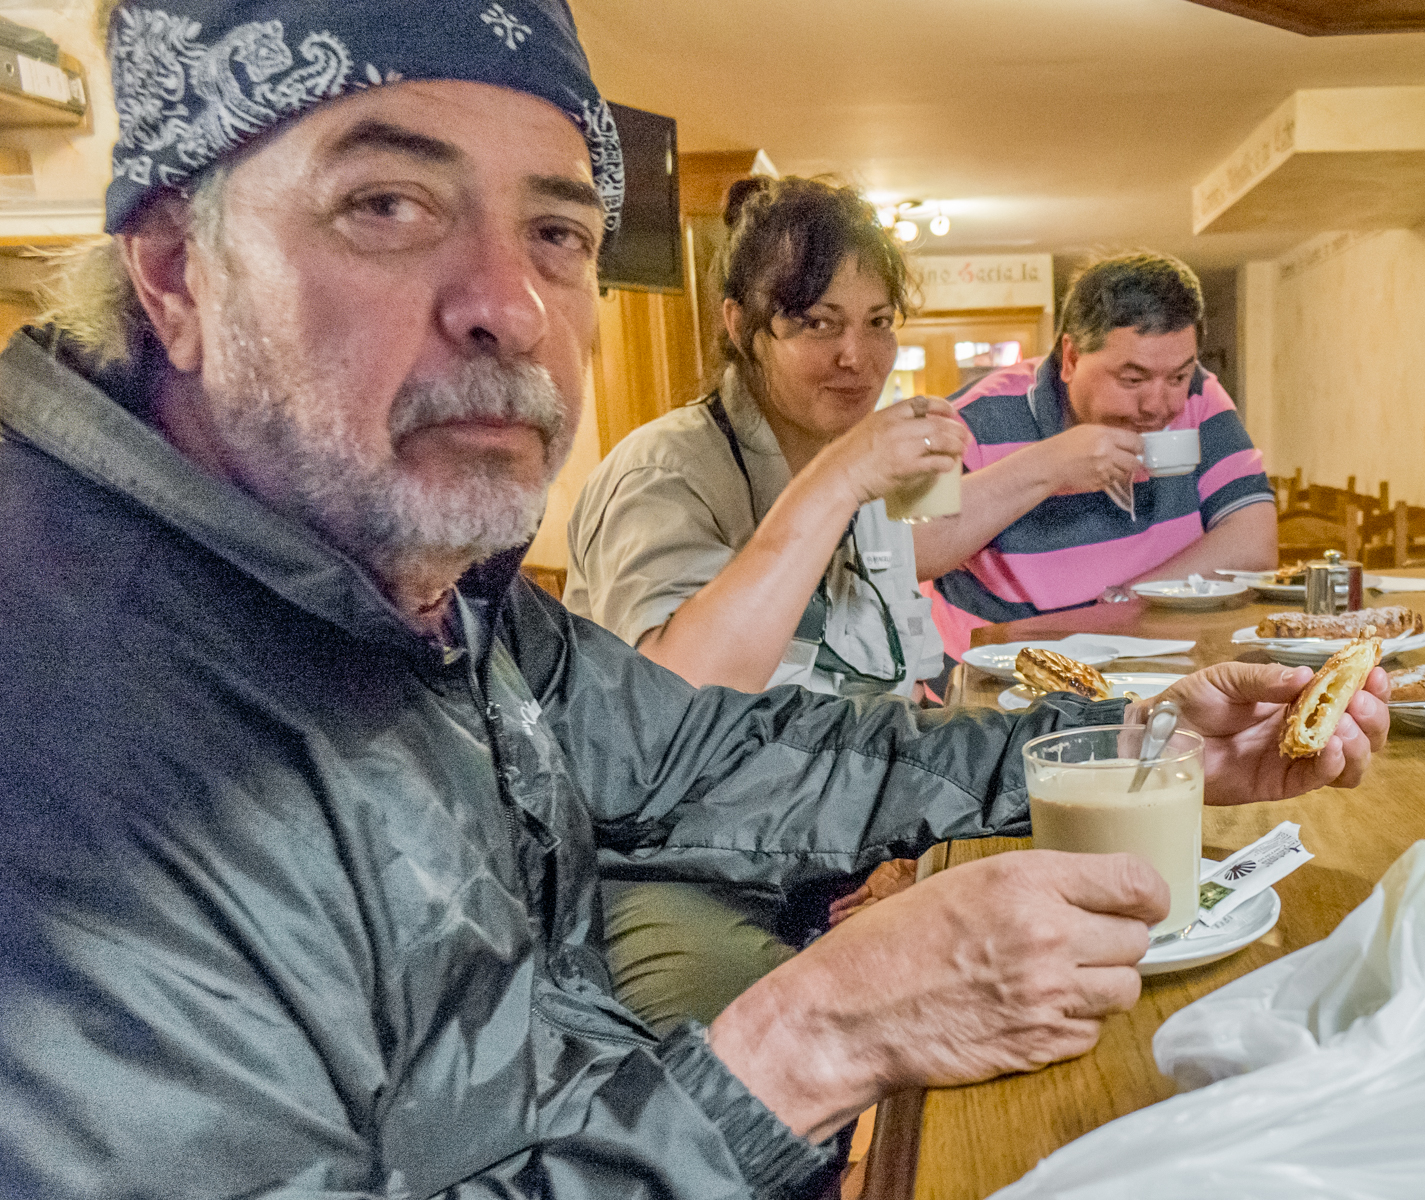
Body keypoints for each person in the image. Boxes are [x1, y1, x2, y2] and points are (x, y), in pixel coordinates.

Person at [0, 4, 1387, 1198]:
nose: (509, 305)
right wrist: (812, 1042)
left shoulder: (438, 599)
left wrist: (1150, 753)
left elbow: (721, 753)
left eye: (556, 232)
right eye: (387, 206)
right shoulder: (62, 732)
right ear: (176, 272)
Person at [565, 176, 965, 1032]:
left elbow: (897, 683)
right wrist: (836, 484)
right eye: (814, 322)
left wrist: (908, 847)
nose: (854, 357)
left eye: (877, 321)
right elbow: (676, 710)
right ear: (738, 323)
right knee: (775, 1039)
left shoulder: (866, 473)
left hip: (833, 838)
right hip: (676, 865)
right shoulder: (664, 475)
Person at [913, 252, 1278, 659]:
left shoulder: (1201, 392)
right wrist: (1048, 466)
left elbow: (1254, 542)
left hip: (1159, 660)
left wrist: (1123, 605)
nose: (1158, 405)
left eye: (1177, 376)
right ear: (1071, 358)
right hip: (1005, 679)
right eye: (1132, 379)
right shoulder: (973, 417)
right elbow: (913, 551)